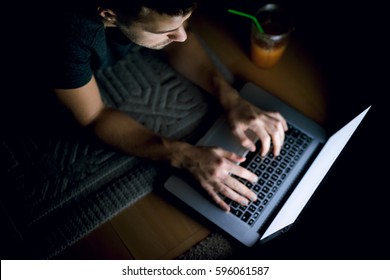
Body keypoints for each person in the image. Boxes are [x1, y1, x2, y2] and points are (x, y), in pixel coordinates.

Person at [48, 0, 288, 212]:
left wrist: (231, 98)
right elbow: (93, 116)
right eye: (166, 31)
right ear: (109, 15)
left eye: (184, 22)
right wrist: (186, 156)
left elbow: (178, 43)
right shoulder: (65, 38)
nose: (183, 36)